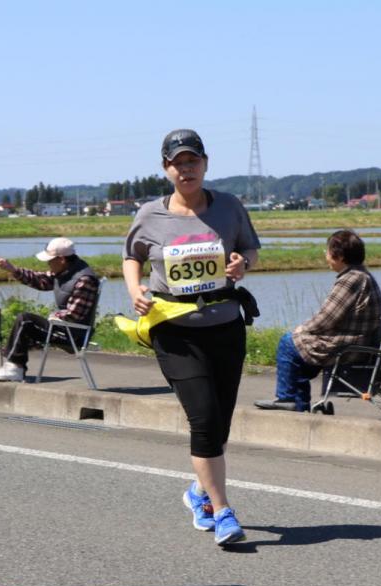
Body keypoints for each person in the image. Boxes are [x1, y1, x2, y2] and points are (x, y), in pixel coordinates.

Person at [123, 129, 260, 546]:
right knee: (203, 418)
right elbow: (131, 256)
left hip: (225, 324)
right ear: (166, 168)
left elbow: (250, 250)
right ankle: (223, 511)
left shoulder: (229, 207)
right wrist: (135, 290)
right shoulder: (150, 215)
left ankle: (199, 491)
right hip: (174, 329)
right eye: (177, 163)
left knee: (220, 423)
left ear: (205, 163)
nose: (186, 169)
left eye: (192, 161)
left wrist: (241, 265)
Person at [255, 230, 381, 412]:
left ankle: (286, 398)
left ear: (339, 256)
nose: (326, 256)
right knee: (298, 351)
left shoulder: (350, 280)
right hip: (358, 341)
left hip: (347, 346)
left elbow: (326, 319)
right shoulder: (363, 274)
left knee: (288, 343)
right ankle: (298, 407)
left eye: (327, 251)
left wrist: (301, 329)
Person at [0, 238, 99, 382]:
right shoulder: (65, 271)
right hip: (64, 328)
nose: (48, 264)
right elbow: (41, 281)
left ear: (61, 259)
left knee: (25, 320)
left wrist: (54, 315)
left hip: (73, 336)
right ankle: (14, 367)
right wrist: (12, 269)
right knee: (25, 323)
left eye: (50, 260)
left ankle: (14, 369)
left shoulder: (84, 280)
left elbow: (74, 315)